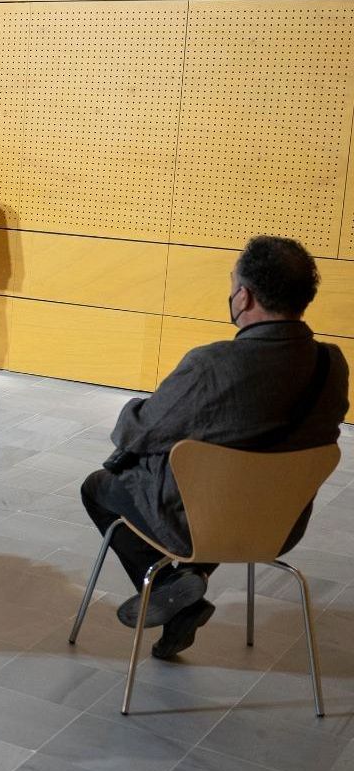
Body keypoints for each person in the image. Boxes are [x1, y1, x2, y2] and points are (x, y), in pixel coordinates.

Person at [80, 235, 348, 658]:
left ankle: (173, 586)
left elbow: (138, 431)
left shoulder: (213, 365)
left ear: (243, 296)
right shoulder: (332, 364)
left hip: (203, 519)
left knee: (98, 486)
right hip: (278, 523)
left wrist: (133, 411)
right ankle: (186, 594)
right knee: (229, 490)